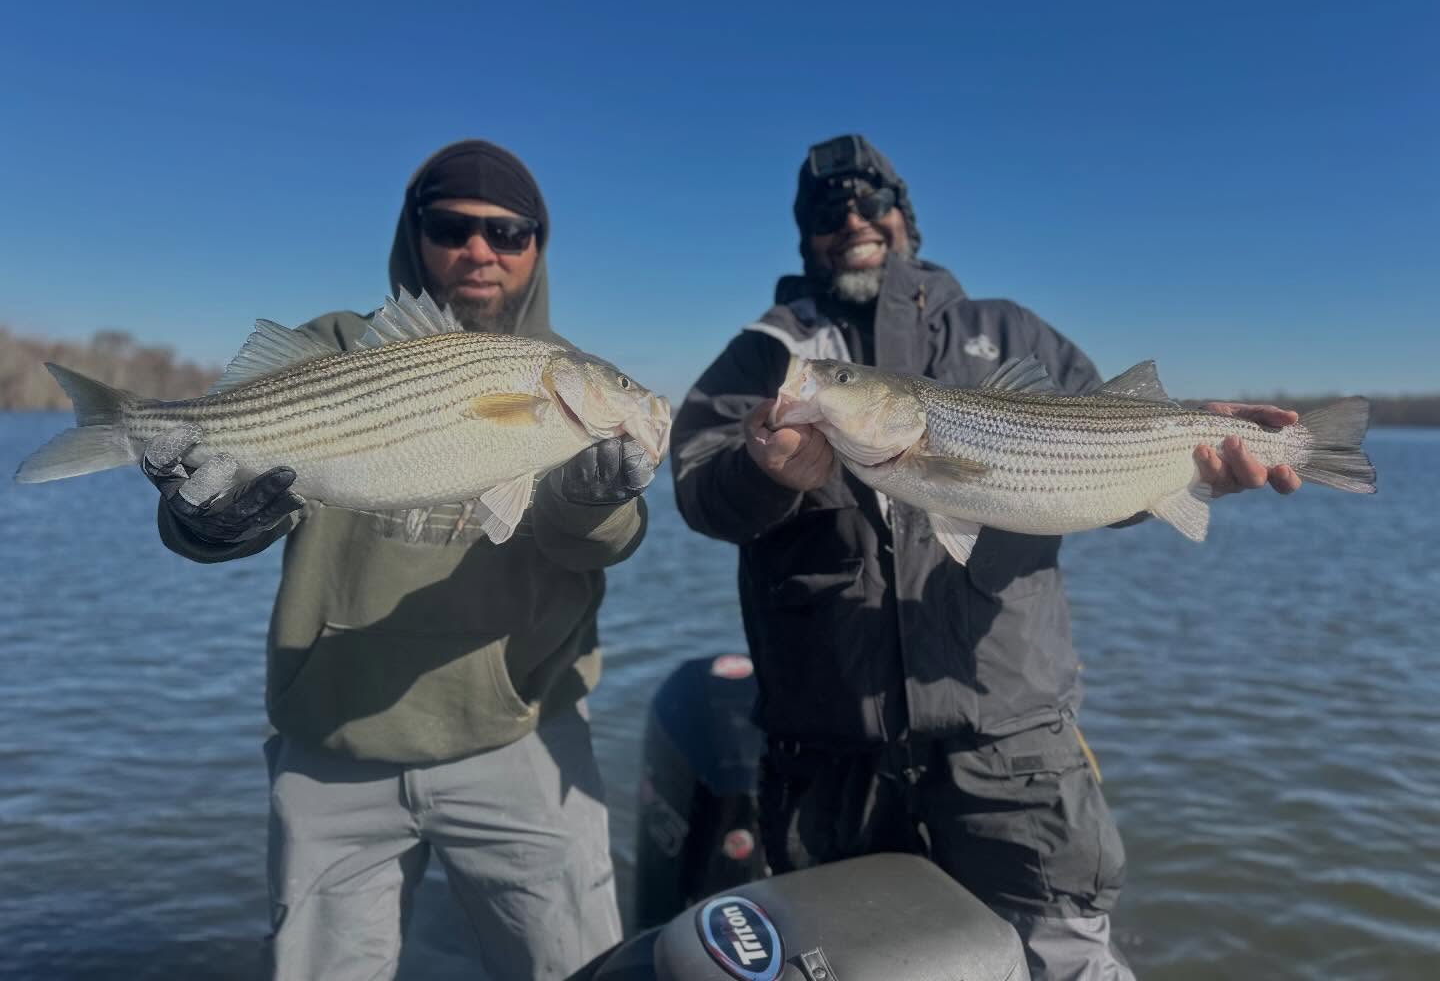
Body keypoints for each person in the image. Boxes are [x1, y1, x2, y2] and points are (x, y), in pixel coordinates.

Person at [670, 134, 1302, 981]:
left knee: (1062, 961)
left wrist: (1182, 460)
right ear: (804, 236)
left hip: (1015, 747)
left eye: (871, 199)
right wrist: (758, 470)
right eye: (827, 211)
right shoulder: (766, 354)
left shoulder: (1007, 331)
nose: (852, 219)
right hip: (828, 761)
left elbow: (1095, 466)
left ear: (904, 216)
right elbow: (697, 491)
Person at [145, 140, 653, 980]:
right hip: (331, 743)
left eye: (510, 232)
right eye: (452, 226)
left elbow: (593, 545)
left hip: (522, 737)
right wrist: (207, 523)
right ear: (413, 233)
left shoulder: (565, 375)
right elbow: (216, 518)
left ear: (538, 246)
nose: (480, 250)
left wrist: (595, 499)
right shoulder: (335, 347)